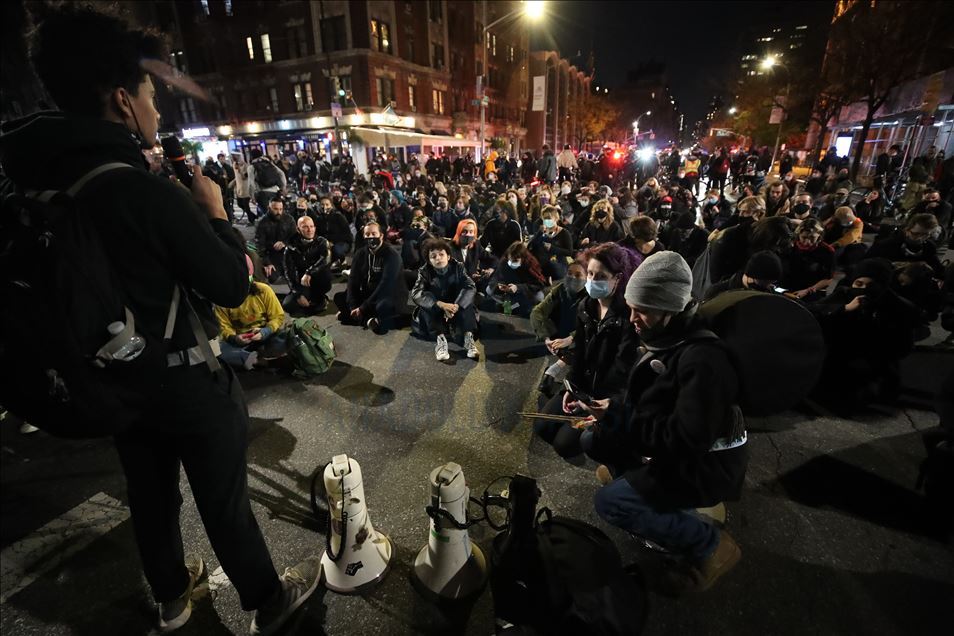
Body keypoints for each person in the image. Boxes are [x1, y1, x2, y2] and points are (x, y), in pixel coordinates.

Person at [1, 5, 320, 633]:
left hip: (113, 376)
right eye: (149, 94)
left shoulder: (45, 183)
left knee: (150, 494)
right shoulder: (142, 191)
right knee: (222, 499)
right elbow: (231, 283)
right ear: (122, 100)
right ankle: (269, 602)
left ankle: (172, 598)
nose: (155, 108)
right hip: (183, 376)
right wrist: (216, 213)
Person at [574, 251, 745, 595]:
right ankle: (635, 482)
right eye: (631, 307)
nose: (633, 319)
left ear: (670, 308)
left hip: (705, 464)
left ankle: (709, 544)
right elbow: (652, 399)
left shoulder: (704, 360)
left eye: (643, 310)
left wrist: (619, 417)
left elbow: (685, 439)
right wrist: (610, 409)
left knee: (609, 503)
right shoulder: (670, 335)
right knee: (594, 439)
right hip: (669, 445)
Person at [533, 244, 640, 459]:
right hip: (584, 386)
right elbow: (580, 352)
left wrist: (594, 404)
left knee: (564, 445)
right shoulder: (586, 306)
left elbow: (621, 369)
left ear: (618, 278)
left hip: (606, 397)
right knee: (542, 427)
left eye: (601, 276)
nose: (592, 280)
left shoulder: (627, 316)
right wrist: (572, 388)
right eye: (590, 273)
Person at [410, 238, 479, 361]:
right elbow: (416, 293)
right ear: (429, 261)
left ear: (448, 256)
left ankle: (468, 336)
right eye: (433, 256)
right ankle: (440, 340)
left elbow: (470, 286)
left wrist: (456, 305)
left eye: (441, 254)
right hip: (437, 308)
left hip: (456, 306)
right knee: (427, 299)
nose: (438, 258)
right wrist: (440, 304)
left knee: (467, 301)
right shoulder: (424, 271)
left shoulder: (458, 267)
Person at [333, 222, 407, 333]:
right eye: (367, 234)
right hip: (368, 294)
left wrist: (363, 307)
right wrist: (353, 305)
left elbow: (385, 285)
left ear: (381, 236)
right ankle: (368, 320)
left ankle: (355, 317)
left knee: (382, 307)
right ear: (364, 236)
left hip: (389, 294)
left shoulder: (392, 255)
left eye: (374, 233)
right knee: (339, 297)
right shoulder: (360, 253)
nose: (370, 237)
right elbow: (352, 280)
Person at [216, 261, 288, 370]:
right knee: (218, 353)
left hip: (266, 335)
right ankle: (259, 360)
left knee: (287, 338)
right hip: (241, 341)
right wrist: (235, 338)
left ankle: (249, 359)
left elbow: (277, 317)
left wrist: (265, 331)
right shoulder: (222, 299)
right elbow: (224, 327)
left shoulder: (264, 290)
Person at [864, 213, 944, 276]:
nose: (920, 238)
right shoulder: (888, 244)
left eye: (925, 235)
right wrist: (890, 265)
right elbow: (865, 264)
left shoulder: (929, 247)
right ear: (907, 230)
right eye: (915, 234)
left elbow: (939, 271)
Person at [282, 216, 332, 315]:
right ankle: (313, 301)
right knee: (288, 305)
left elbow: (326, 259)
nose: (310, 230)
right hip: (302, 282)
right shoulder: (290, 247)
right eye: (305, 227)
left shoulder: (322, 241)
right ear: (298, 229)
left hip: (318, 278)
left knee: (325, 274)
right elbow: (288, 273)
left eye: (312, 226)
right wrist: (297, 294)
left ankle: (320, 298)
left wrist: (309, 272)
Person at [485, 242, 547, 317]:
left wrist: (518, 288)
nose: (511, 263)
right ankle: (509, 307)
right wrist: (499, 286)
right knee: (489, 289)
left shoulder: (530, 265)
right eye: (510, 259)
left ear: (523, 258)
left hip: (524, 293)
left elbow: (539, 284)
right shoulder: (504, 262)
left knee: (539, 296)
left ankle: (514, 308)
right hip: (508, 293)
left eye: (515, 261)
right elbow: (495, 278)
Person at [782, 219, 835, 301]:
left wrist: (807, 291)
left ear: (819, 236)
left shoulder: (826, 251)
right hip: (788, 287)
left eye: (812, 238)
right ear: (798, 234)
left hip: (812, 290)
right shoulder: (790, 246)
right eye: (804, 237)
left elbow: (828, 279)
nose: (807, 242)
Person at [704, 250, 784, 300]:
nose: (769, 287)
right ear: (750, 276)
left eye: (771, 282)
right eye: (764, 283)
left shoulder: (769, 292)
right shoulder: (717, 293)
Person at [254, 196, 297, 283]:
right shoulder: (261, 223)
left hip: (288, 253)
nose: (279, 212)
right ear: (269, 208)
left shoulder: (289, 219)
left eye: (281, 209)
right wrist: (267, 263)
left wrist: (284, 243)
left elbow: (295, 238)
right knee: (271, 277)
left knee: (296, 276)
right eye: (276, 209)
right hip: (271, 254)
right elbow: (260, 246)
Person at [528, 205, 575, 281]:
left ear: (556, 218)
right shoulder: (541, 231)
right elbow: (530, 246)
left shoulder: (564, 233)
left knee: (552, 265)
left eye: (549, 218)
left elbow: (569, 252)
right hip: (542, 264)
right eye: (544, 218)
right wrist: (539, 233)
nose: (547, 220)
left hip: (558, 264)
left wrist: (553, 248)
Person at [313, 196, 353, 268]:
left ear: (331, 205)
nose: (324, 207)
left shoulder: (339, 216)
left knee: (337, 250)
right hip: (326, 242)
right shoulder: (319, 219)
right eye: (322, 204)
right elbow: (318, 234)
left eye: (327, 204)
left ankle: (342, 261)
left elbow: (347, 235)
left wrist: (332, 241)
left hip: (342, 242)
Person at [248, 147, 287, 220]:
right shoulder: (269, 163)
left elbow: (251, 183)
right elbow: (281, 173)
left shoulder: (252, 167)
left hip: (262, 194)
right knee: (276, 213)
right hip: (275, 192)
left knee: (267, 216)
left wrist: (252, 196)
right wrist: (283, 187)